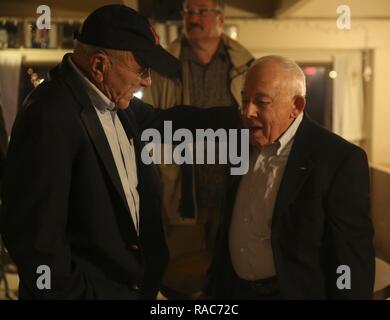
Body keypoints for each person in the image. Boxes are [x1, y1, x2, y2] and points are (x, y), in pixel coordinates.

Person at [0, 5, 237, 300]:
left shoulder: (112, 100)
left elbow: (168, 122)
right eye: (141, 69)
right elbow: (35, 240)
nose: (147, 80)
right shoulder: (49, 116)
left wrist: (244, 119)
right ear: (100, 65)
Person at [202, 55, 375, 299]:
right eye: (244, 100)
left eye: (261, 102)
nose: (247, 111)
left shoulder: (338, 160)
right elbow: (232, 226)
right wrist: (212, 288)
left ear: (297, 106)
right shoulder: (240, 144)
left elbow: (350, 258)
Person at [143, 0, 254, 297]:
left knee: (230, 267)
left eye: (200, 11)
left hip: (232, 182)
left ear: (220, 18)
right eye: (187, 12)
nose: (192, 18)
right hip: (179, 183)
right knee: (180, 269)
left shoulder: (244, 64)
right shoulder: (165, 64)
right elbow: (150, 122)